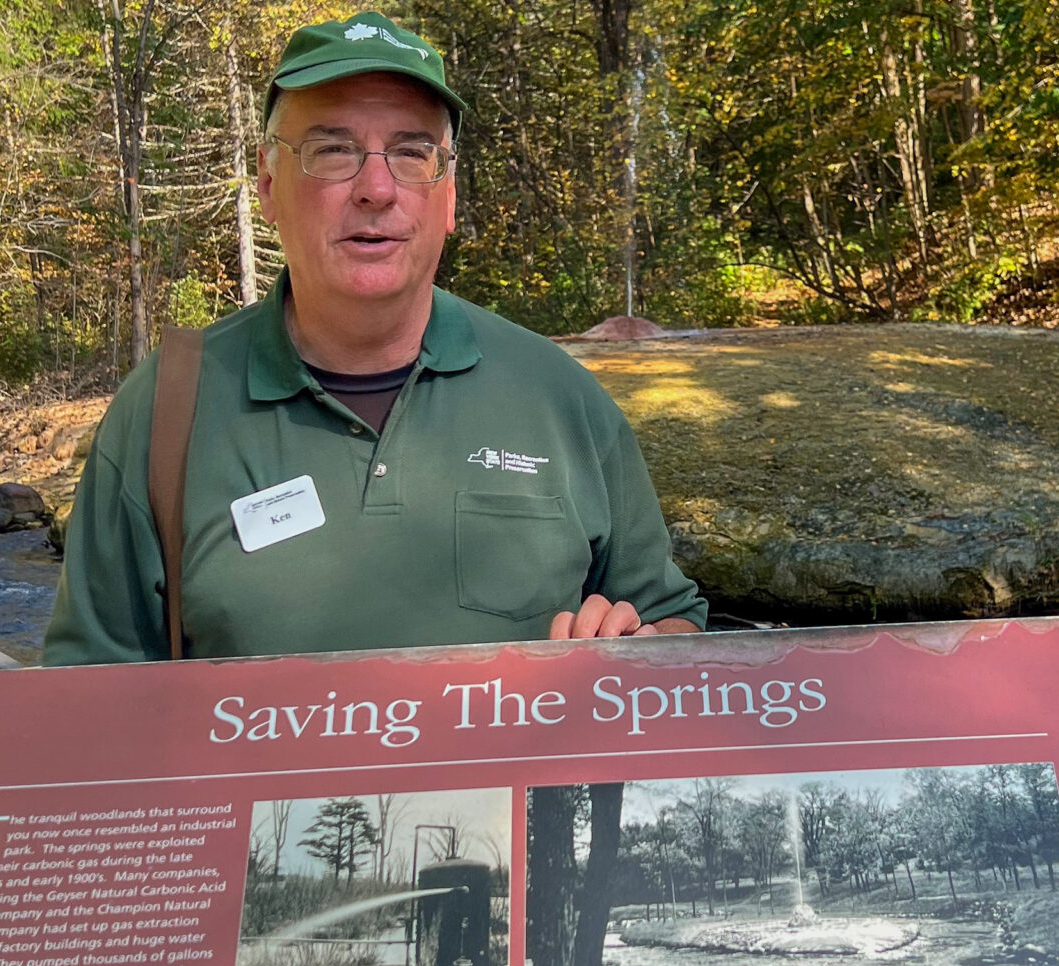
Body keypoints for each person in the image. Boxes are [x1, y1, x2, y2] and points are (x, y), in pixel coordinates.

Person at [43, 12, 704, 665]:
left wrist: (645, 648)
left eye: (413, 154)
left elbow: (676, 628)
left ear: (447, 198)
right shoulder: (166, 411)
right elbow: (88, 709)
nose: (377, 189)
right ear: (269, 185)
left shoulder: (560, 399)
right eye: (334, 151)